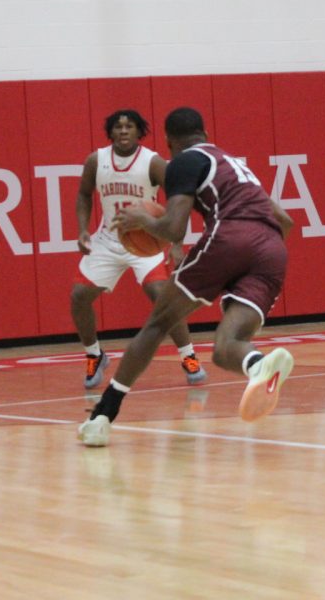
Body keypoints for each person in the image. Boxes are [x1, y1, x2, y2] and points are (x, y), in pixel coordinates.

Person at [77, 106, 296, 446]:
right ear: (205, 134)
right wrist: (255, 253)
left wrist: (142, 221)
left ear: (168, 141)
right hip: (272, 250)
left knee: (157, 324)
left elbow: (173, 227)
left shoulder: (184, 161)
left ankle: (103, 415)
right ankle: (259, 365)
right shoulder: (233, 163)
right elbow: (285, 220)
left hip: (230, 237)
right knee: (226, 348)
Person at [71, 109, 206, 389]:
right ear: (110, 132)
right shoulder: (96, 160)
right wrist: (83, 230)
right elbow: (84, 194)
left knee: (162, 298)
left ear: (138, 131)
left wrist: (176, 243)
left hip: (147, 240)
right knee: (79, 296)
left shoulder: (153, 163)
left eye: (129, 126)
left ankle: (188, 355)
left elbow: (180, 200)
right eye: (118, 127)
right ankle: (94, 355)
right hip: (109, 240)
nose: (123, 131)